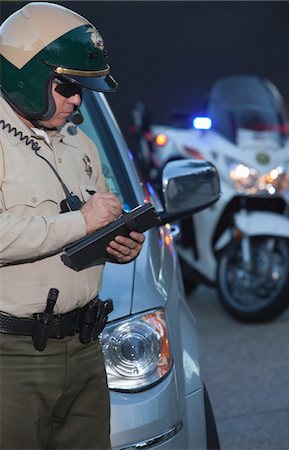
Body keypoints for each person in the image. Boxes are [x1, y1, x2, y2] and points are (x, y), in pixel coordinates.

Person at [0, 2, 145, 449]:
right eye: (66, 87)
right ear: (26, 74)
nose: (77, 100)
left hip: (85, 348)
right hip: (13, 358)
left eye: (82, 89)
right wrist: (81, 222)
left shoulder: (81, 145)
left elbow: (92, 227)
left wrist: (119, 243)